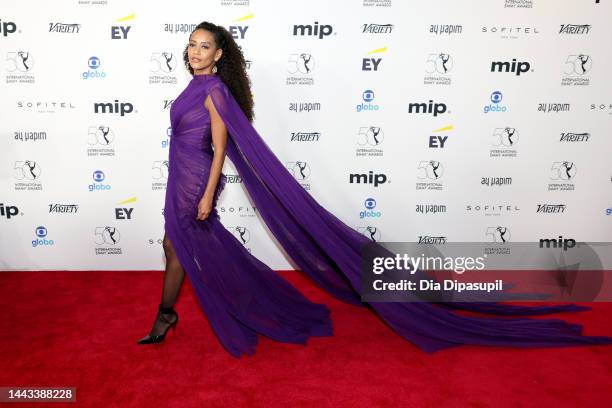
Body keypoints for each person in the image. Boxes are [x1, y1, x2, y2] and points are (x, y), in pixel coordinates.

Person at [137, 21, 612, 357]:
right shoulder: (190, 85)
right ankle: (192, 308)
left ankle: (170, 313)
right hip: (180, 170)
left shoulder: (214, 90)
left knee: (177, 241)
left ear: (219, 54)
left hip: (196, 176)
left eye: (204, 46)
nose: (195, 52)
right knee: (174, 243)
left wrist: (206, 194)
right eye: (192, 45)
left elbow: (219, 148)